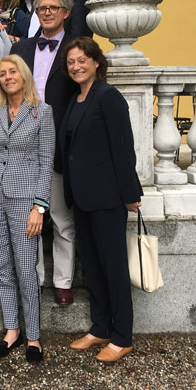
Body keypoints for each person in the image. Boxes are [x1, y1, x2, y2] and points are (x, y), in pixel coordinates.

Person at [60, 36, 142, 364]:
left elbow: (123, 148)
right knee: (92, 267)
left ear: (96, 62)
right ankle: (100, 328)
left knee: (114, 268)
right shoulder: (77, 98)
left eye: (82, 60)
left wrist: (130, 194)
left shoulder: (109, 97)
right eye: (71, 62)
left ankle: (122, 337)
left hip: (108, 198)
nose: (77, 66)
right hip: (82, 198)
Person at [0, 55, 54, 364]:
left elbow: (47, 161)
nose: (7, 77)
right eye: (2, 73)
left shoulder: (42, 112)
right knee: (0, 266)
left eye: (12, 72)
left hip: (25, 201)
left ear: (23, 75)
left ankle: (33, 336)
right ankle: (12, 331)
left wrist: (40, 207)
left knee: (25, 267)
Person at [12, 0, 78, 305]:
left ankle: (63, 281)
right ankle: (33, 278)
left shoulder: (76, 50)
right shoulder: (22, 48)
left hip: (61, 144)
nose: (47, 13)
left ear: (66, 12)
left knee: (63, 219)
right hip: (25, 145)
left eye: (53, 8)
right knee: (30, 219)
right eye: (42, 9)